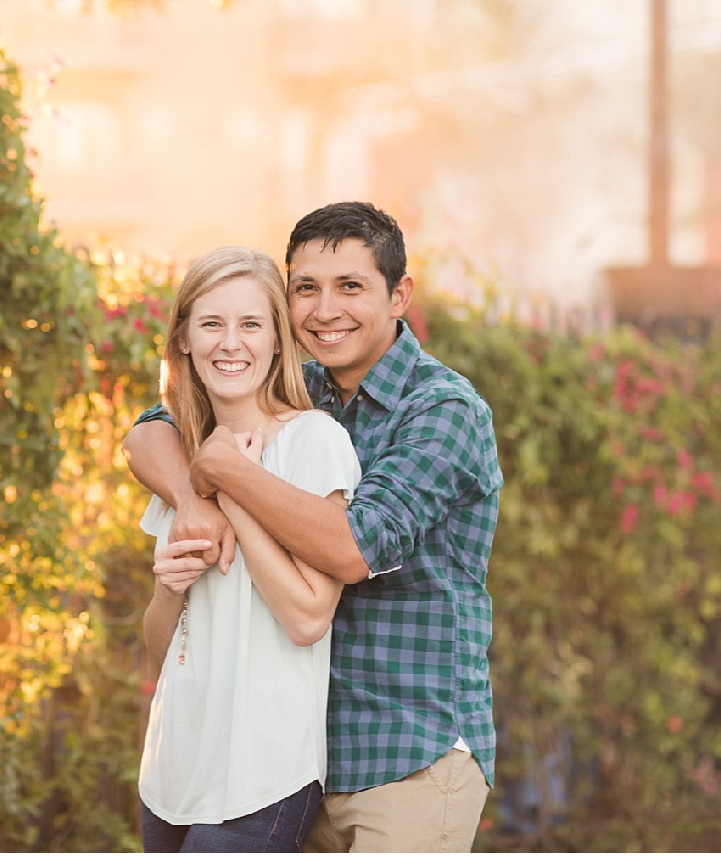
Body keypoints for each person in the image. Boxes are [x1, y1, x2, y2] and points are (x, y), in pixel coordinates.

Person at [124, 202, 503, 853]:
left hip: (406, 748)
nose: (326, 310)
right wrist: (193, 496)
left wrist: (226, 474)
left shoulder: (442, 410)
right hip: (305, 750)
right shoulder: (308, 391)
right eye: (307, 288)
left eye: (350, 286)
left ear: (398, 295)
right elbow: (151, 429)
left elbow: (354, 546)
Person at [136, 246, 362, 853]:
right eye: (211, 323)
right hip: (171, 773)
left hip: (262, 777)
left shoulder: (316, 441)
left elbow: (307, 617)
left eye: (250, 324)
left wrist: (231, 486)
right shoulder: (181, 455)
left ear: (276, 342)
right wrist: (169, 588)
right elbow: (162, 647)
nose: (230, 343)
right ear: (183, 338)